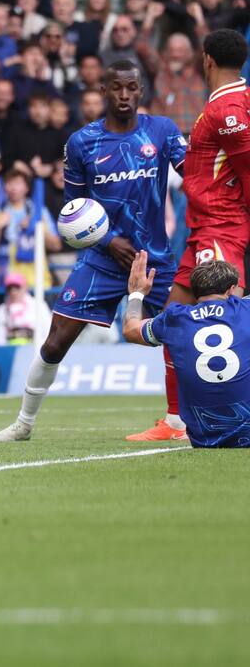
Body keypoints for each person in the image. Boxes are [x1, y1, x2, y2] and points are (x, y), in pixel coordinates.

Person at [0, 61, 188, 442]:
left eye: (131, 88)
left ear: (141, 90)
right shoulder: (82, 143)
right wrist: (108, 241)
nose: (125, 95)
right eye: (117, 88)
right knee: (56, 339)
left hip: (153, 260)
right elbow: (71, 212)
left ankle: (180, 422)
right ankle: (23, 424)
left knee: (183, 333)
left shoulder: (161, 131)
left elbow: (194, 173)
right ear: (103, 90)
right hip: (102, 258)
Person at [126, 30, 250, 442]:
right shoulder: (224, 103)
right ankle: (176, 421)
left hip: (220, 228)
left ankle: (232, 415)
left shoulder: (229, 107)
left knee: (229, 322)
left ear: (206, 59)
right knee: (172, 319)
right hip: (203, 229)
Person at [122, 254, 250, 448]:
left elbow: (130, 330)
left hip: (204, 438)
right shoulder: (245, 309)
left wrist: (137, 293)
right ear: (232, 290)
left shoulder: (174, 318)